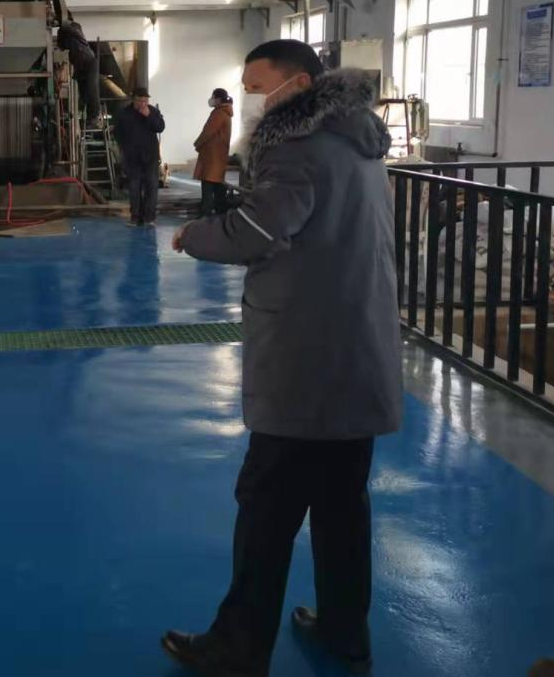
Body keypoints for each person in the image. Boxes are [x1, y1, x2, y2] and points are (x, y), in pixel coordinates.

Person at [165, 40, 403, 676]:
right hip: (357, 349)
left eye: (255, 86)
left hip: (308, 359)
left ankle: (237, 649)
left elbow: (258, 230)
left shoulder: (298, 147)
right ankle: (345, 634)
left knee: (266, 509)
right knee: (341, 506)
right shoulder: (358, 142)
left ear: (297, 85)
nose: (249, 99)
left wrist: (195, 235)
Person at [113, 86, 166, 226]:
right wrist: (124, 148)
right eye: (140, 101)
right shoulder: (124, 113)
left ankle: (149, 218)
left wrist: (149, 116)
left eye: (145, 101)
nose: (143, 103)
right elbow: (117, 133)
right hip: (133, 158)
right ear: (133, 100)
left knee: (152, 187)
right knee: (134, 188)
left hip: (151, 157)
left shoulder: (153, 111)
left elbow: (160, 127)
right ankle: (135, 217)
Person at [194, 88, 234, 216]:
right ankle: (220, 213)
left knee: (208, 185)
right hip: (218, 156)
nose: (211, 99)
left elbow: (208, 132)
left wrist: (197, 143)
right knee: (217, 185)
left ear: (218, 99)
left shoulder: (219, 113)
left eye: (213, 97)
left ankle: (206, 215)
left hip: (212, 156)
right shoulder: (224, 112)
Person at [56, 20, 101, 123]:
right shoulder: (67, 41)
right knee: (83, 92)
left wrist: (61, 22)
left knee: (91, 87)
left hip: (90, 63)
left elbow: (67, 27)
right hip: (80, 67)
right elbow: (60, 47)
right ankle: (84, 115)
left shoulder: (78, 35)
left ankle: (94, 115)